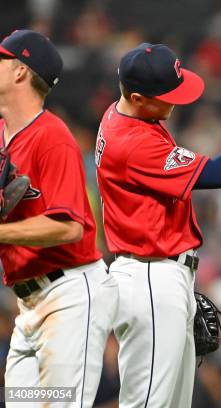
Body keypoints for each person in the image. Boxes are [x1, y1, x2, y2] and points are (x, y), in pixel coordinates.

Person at [95, 43, 221, 407]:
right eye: (168, 94)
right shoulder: (133, 141)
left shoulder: (122, 113)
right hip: (150, 277)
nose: (177, 101)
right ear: (136, 96)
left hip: (159, 274)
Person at [0, 29, 118, 406]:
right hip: (29, 304)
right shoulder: (3, 134)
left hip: (69, 295)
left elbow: (70, 227)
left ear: (20, 71)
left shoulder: (52, 137)